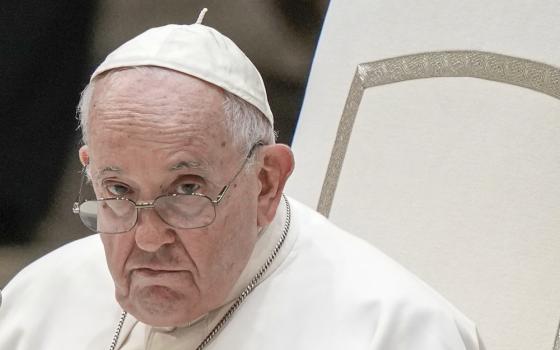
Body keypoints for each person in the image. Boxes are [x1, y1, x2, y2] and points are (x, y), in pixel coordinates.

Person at [0, 13, 485, 350]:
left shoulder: (393, 330)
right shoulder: (38, 301)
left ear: (267, 183)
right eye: (119, 192)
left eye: (186, 190)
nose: (147, 239)